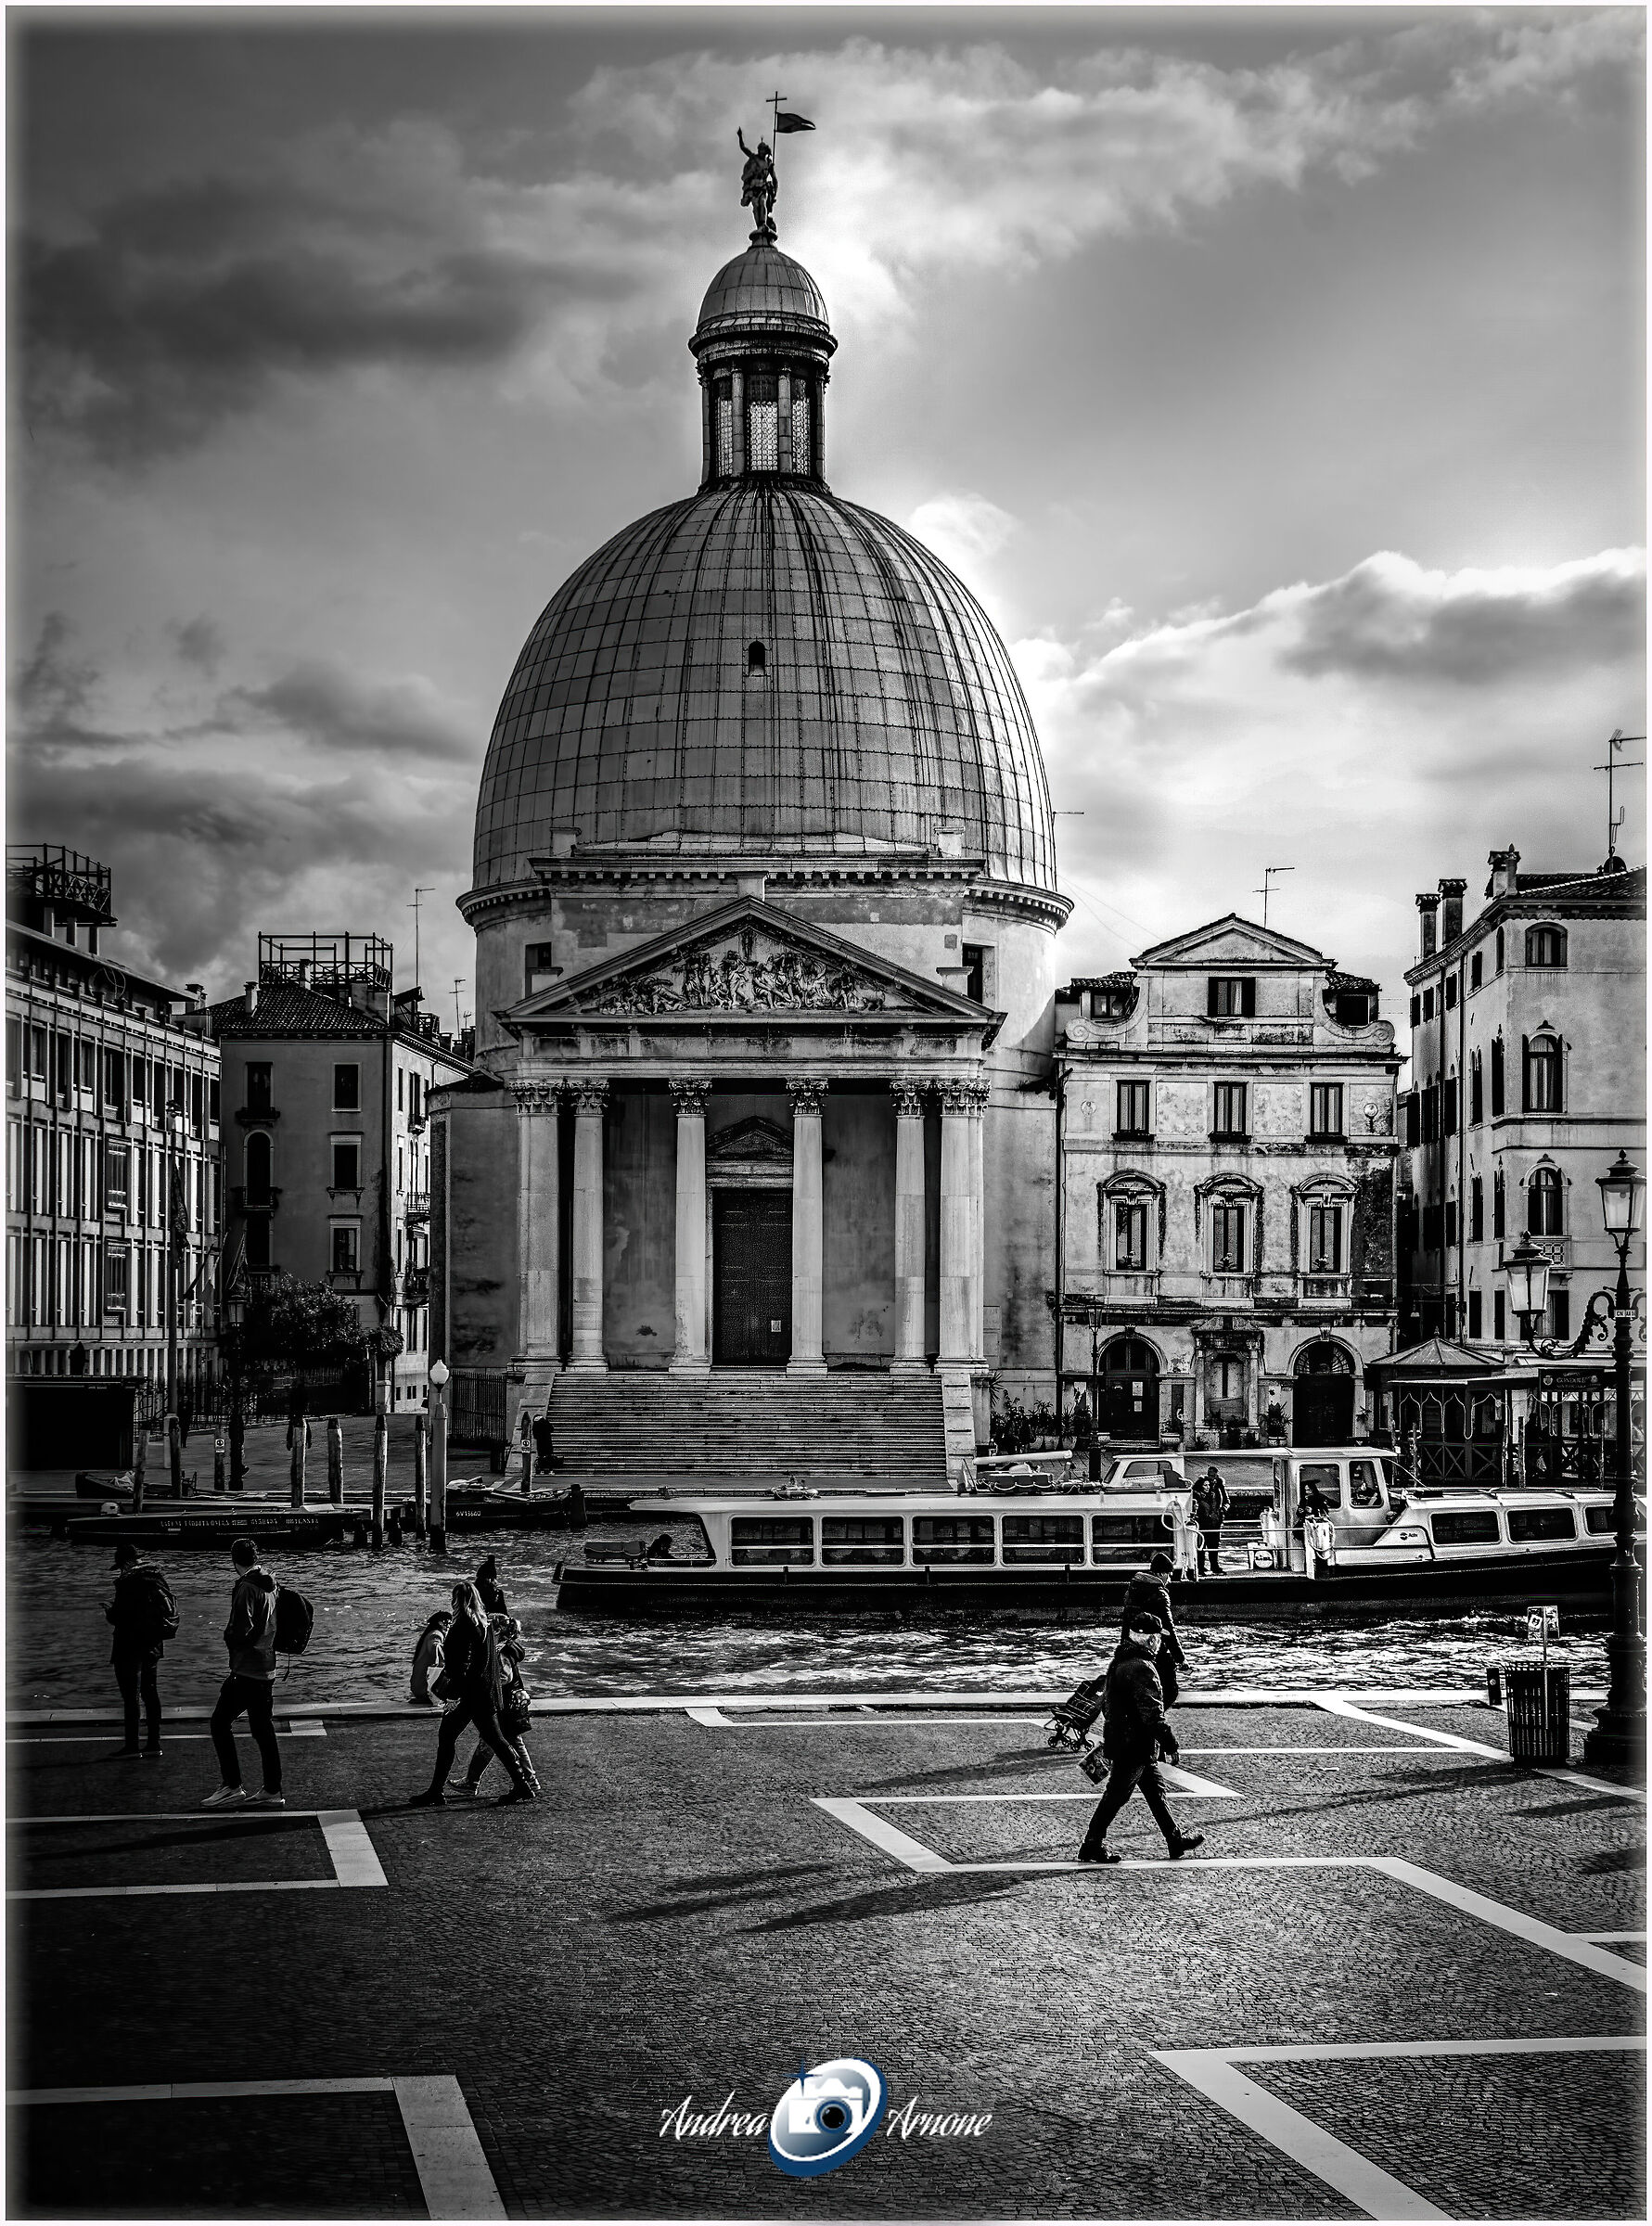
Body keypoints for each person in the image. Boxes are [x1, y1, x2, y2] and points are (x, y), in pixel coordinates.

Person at [1077, 1613, 1205, 1866]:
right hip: (1135, 1744)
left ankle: (1174, 1839)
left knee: (1156, 1792)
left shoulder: (1120, 1661)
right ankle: (1092, 1843)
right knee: (1116, 1795)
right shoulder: (1143, 1669)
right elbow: (1152, 1714)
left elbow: (1109, 1704)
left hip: (1125, 1740)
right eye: (1158, 1637)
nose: (1160, 1642)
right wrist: (1170, 1743)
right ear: (1148, 1639)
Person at [411, 1582, 534, 1806]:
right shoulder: (485, 1624)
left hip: (468, 1696)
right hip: (484, 1694)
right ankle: (522, 1785)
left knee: (449, 1738)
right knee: (496, 1739)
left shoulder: (462, 1626)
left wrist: (452, 1696)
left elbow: (462, 1667)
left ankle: (436, 1791)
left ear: (458, 1601)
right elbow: (485, 1664)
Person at [202, 1538, 284, 1809]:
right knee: (263, 1729)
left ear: (233, 1559)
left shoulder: (247, 1588)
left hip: (247, 1668)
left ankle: (231, 1785)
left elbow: (240, 1629)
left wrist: (228, 1638)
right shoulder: (271, 1584)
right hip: (267, 1665)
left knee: (219, 1723)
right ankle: (272, 1789)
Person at [459, 1617, 541, 1797]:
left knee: (498, 1741)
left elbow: (504, 1677)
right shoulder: (507, 1649)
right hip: (508, 1701)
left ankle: (528, 1780)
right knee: (499, 1741)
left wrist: (486, 1683)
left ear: (497, 1631)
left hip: (502, 1703)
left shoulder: (501, 1652)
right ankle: (472, 1781)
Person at [105, 1542, 172, 1759]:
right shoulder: (156, 1577)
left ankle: (132, 1746)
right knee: (150, 1693)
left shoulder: (127, 1582)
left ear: (125, 1563)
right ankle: (154, 1743)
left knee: (131, 1696)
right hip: (152, 1644)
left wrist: (109, 1613)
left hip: (129, 1645)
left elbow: (121, 1616)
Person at [1121, 1554, 1187, 1708]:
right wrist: (1180, 1658)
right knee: (1169, 1690)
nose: (1169, 1580)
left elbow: (1127, 1621)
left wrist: (1123, 1646)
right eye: (1169, 1575)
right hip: (1154, 1647)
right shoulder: (1159, 1594)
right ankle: (1153, 1721)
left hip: (1132, 1644)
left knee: (1139, 1687)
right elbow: (1168, 1629)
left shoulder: (1133, 1588)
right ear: (1161, 1573)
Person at [1191, 1465, 1230, 1579]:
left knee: (1214, 1544)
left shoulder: (1218, 1488)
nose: (1212, 1479)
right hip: (1202, 1523)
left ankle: (1214, 1566)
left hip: (1215, 1521)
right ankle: (1200, 1567)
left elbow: (1226, 1501)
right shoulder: (1198, 1492)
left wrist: (1222, 1511)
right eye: (1210, 1476)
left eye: (1214, 1476)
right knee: (1201, 1545)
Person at [410, 1609, 453, 1705]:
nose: (449, 1626)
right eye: (448, 1622)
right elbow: (434, 1646)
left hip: (418, 1687)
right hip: (425, 1688)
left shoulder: (430, 1633)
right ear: (441, 1623)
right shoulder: (436, 1634)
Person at [531, 1411, 557, 1477]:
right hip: (548, 1441)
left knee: (541, 1456)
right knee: (549, 1456)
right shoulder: (546, 1421)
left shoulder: (535, 1424)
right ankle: (551, 1470)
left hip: (540, 1442)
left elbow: (535, 1435)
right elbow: (552, 1429)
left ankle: (541, 1470)